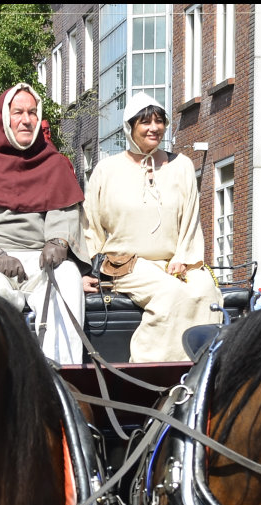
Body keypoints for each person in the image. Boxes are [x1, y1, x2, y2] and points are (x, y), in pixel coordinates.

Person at [0, 82, 87, 366]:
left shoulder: (54, 164)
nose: (26, 119)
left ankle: (62, 374)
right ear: (4, 119)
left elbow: (64, 214)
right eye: (18, 112)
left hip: (39, 260)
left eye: (32, 112)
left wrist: (57, 242)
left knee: (69, 276)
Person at [82, 92, 222, 362]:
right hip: (125, 264)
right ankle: (149, 367)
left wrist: (183, 257)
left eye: (159, 121)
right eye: (145, 122)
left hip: (175, 262)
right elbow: (90, 224)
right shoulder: (106, 170)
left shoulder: (182, 165)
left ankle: (199, 368)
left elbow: (191, 218)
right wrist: (88, 269)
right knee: (170, 293)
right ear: (130, 127)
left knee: (206, 290)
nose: (154, 128)